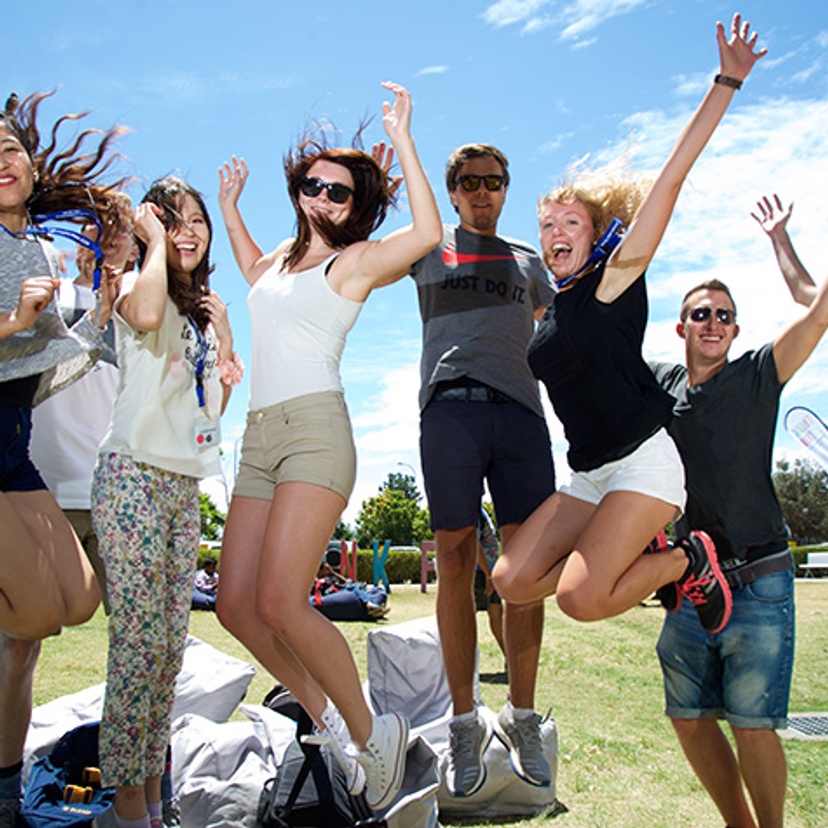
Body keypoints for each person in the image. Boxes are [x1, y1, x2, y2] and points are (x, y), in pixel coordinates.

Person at [493, 14, 766, 639]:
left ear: (594, 235)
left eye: (571, 224)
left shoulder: (612, 281)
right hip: (589, 473)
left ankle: (685, 557)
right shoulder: (550, 307)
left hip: (644, 463)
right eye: (548, 225)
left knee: (580, 600)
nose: (556, 235)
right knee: (511, 581)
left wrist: (726, 81)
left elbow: (669, 179)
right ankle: (639, 554)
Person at [215, 81, 441, 812]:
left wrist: (403, 140)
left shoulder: (357, 262)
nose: (322, 198)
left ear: (357, 206)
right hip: (256, 438)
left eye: (339, 193)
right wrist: (229, 208)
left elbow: (428, 237)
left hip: (316, 433)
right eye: (314, 184)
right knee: (234, 608)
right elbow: (252, 275)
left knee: (283, 599)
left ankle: (375, 733)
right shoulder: (281, 260)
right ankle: (326, 717)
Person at [649, 196, 828, 828]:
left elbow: (821, 308)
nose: (714, 323)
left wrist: (781, 239)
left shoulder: (758, 374)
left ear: (735, 328)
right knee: (688, 718)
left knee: (754, 728)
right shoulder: (661, 384)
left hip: (759, 580)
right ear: (682, 327)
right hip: (693, 584)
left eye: (725, 315)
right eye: (702, 314)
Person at [91, 177, 238, 828]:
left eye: (196, 219)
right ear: (153, 225)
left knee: (169, 652)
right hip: (130, 475)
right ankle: (127, 809)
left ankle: (154, 798)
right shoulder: (130, 283)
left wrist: (225, 352)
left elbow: (211, 409)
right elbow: (147, 317)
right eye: (171, 219)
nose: (187, 229)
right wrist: (148, 243)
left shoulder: (209, 311)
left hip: (183, 488)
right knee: (136, 647)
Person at [410, 142, 556, 796]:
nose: (482, 191)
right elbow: (353, 253)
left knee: (525, 572)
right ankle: (464, 722)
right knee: (454, 552)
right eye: (469, 182)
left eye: (493, 181)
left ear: (505, 188)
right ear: (452, 190)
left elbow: (568, 332)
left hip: (521, 416)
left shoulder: (528, 263)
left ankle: (521, 716)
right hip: (450, 411)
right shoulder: (427, 248)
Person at [0, 91, 124, 828]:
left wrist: (105, 296)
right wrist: (11, 320)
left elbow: (59, 361)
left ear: (31, 161)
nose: (1, 162)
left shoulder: (41, 250)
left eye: (9, 148)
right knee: (35, 620)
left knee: (75, 602)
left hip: (14, 445)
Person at [31, 193, 137, 614]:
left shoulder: (147, 309)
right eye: (96, 225)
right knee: (24, 635)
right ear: (79, 241)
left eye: (121, 228)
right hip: (45, 489)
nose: (109, 235)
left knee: (136, 632)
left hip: (122, 495)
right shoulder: (48, 298)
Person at [475, 507, 506, 666]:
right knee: (465, 620)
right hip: (480, 573)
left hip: (489, 572)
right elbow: (474, 544)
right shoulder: (473, 512)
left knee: (496, 615)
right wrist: (488, 574)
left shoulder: (480, 512)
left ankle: (510, 659)